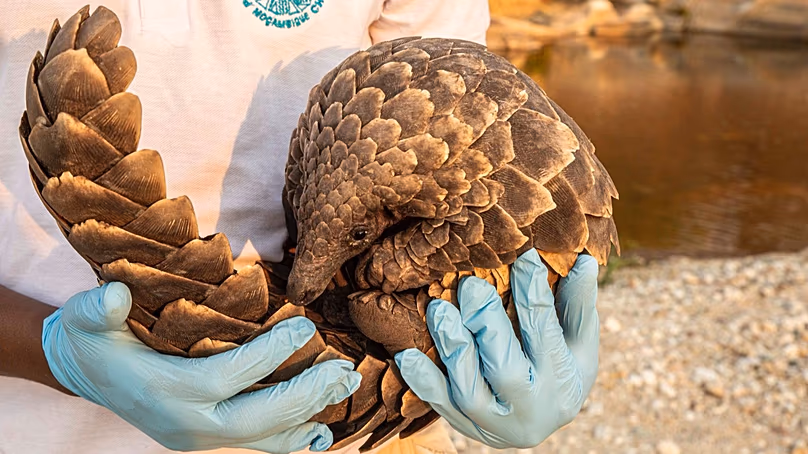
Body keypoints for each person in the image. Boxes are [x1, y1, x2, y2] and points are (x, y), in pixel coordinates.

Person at [0, 1, 602, 453]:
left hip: (353, 419)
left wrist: (527, 317)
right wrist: (52, 351)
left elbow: (472, 125)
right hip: (39, 428)